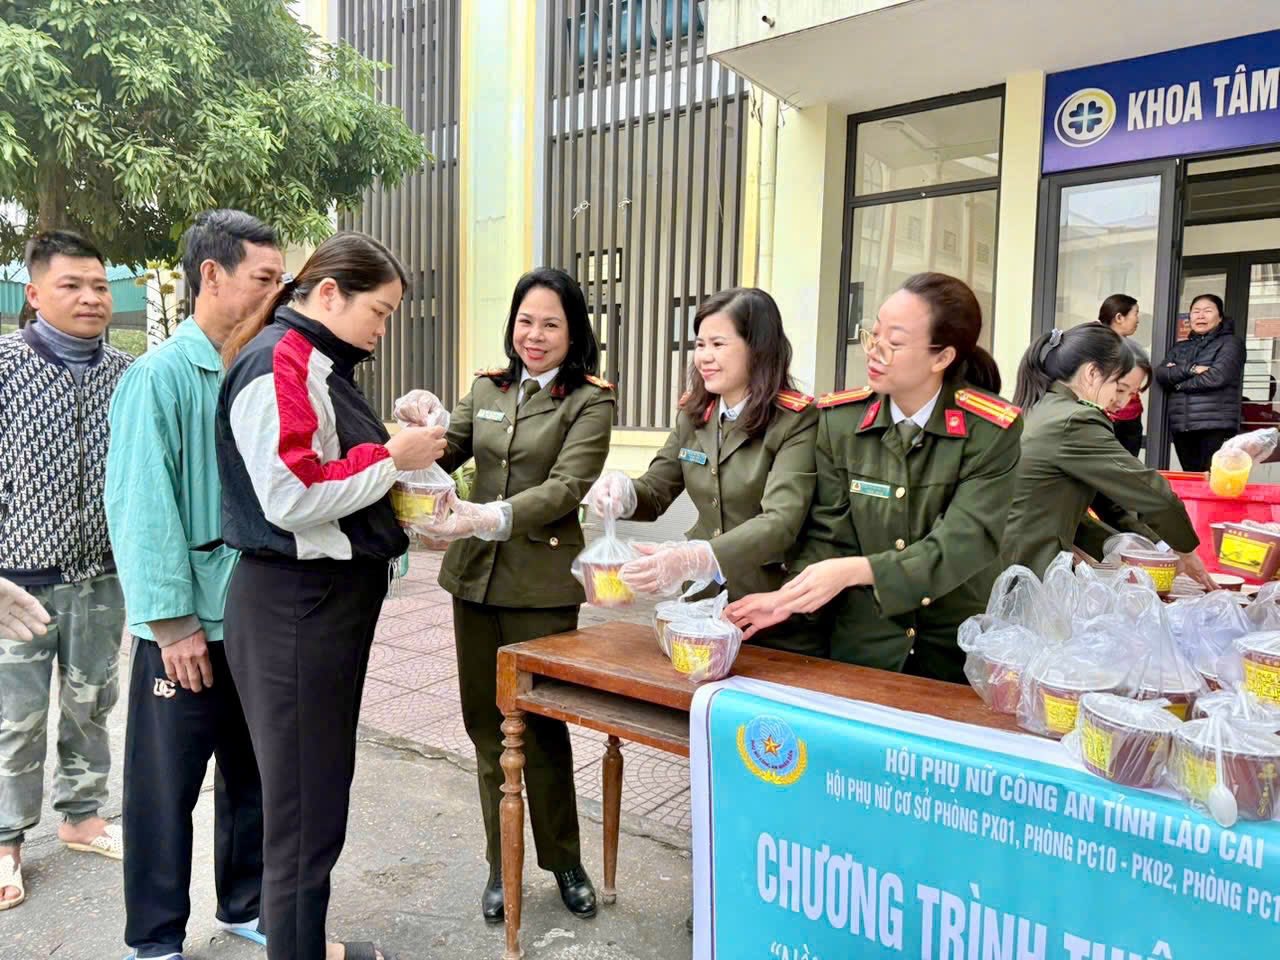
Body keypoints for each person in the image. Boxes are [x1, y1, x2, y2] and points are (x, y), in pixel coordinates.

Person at [216, 232, 446, 960]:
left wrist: (398, 457)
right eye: (377, 312)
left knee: (314, 808)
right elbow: (291, 492)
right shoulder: (278, 359)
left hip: (319, 607)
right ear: (327, 295)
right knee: (305, 818)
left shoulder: (316, 361)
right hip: (296, 606)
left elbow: (328, 468)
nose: (381, 330)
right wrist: (391, 456)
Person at [394, 267, 613, 924]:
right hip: (473, 583)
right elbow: (447, 446)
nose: (534, 335)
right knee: (486, 727)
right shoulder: (488, 387)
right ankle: (503, 862)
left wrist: (491, 516)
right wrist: (418, 424)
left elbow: (566, 487)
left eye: (550, 323)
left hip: (540, 589)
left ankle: (565, 860)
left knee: (540, 730)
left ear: (572, 331)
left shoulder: (591, 401)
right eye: (525, 321)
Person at [106, 210, 285, 958]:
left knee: (251, 775)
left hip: (253, 618)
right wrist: (172, 623)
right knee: (164, 791)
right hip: (188, 628)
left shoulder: (261, 371)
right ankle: (153, 937)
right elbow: (140, 503)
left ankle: (244, 902)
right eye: (264, 280)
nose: (279, 295)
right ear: (211, 275)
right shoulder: (160, 376)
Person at [726, 272, 1021, 683]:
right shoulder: (842, 421)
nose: (875, 352)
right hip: (864, 649)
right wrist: (787, 599)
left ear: (942, 358)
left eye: (895, 343)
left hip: (951, 652)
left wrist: (856, 570)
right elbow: (829, 536)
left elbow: (963, 543)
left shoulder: (990, 431)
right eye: (873, 335)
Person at [0, 230, 132, 911]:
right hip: (15, 582)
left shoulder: (127, 372)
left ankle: (83, 818)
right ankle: (5, 841)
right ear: (35, 293)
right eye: (72, 285)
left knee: (92, 703)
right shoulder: (4, 366)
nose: (90, 297)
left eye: (100, 285)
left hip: (103, 575)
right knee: (14, 718)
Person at [583, 287, 820, 652]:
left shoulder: (795, 422)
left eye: (718, 344)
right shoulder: (695, 416)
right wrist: (622, 492)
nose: (704, 357)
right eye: (700, 344)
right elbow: (656, 490)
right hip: (701, 608)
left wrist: (696, 557)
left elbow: (780, 522)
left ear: (758, 348)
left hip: (773, 613)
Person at [1002, 324, 1209, 585]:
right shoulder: (1074, 420)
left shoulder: (1041, 408)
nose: (1119, 400)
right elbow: (1154, 495)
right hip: (1022, 571)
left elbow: (1071, 511)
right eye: (1117, 385)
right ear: (1091, 373)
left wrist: (1133, 552)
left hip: (1006, 562)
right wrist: (1186, 550)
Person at [1156, 293, 1244, 471]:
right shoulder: (1180, 347)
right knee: (1192, 479)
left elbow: (1217, 376)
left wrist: (1178, 383)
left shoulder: (1231, 343)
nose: (1200, 315)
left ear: (1220, 317)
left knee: (1213, 480)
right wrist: (1192, 369)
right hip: (1183, 426)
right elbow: (1162, 374)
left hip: (1215, 425)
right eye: (1195, 311)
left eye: (1207, 311)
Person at [1098, 294, 1147, 457]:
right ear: (1119, 317)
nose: (1138, 320)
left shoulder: (1134, 347)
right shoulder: (1095, 344)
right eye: (1136, 313)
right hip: (1105, 417)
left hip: (1131, 418)